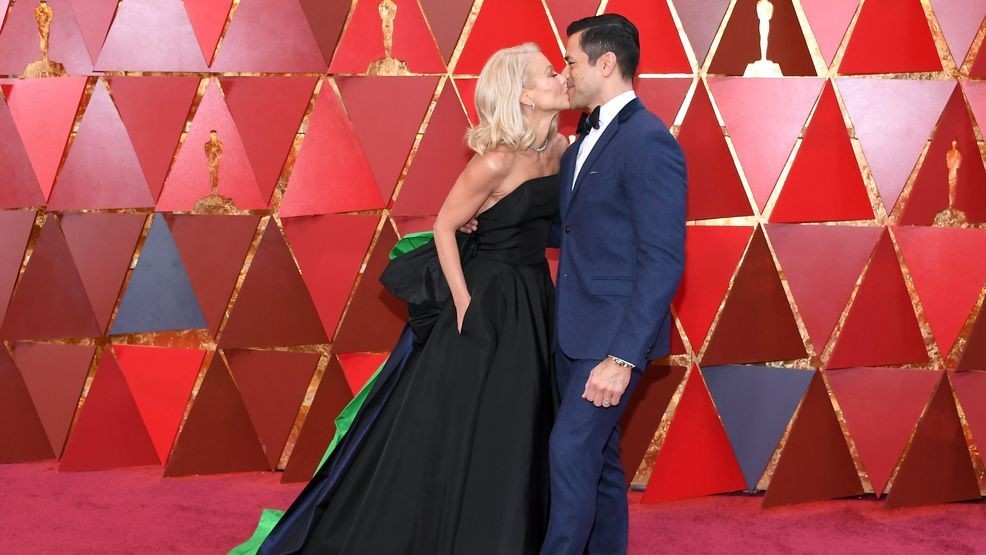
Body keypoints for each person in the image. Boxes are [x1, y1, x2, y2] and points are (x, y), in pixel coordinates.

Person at [236, 42, 570, 554]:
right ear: (525, 95)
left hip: (533, 294)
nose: (561, 76)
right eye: (549, 72)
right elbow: (445, 226)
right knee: (468, 423)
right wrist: (463, 301)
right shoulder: (494, 162)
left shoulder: (562, 149)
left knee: (520, 418)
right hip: (489, 296)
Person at [542, 14, 686, 555]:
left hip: (611, 341)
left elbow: (663, 260)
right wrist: (488, 216)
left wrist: (623, 357)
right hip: (572, 330)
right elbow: (571, 229)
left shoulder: (649, 142)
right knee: (597, 463)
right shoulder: (581, 142)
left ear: (605, 64)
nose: (564, 73)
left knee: (569, 452)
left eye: (571, 61)